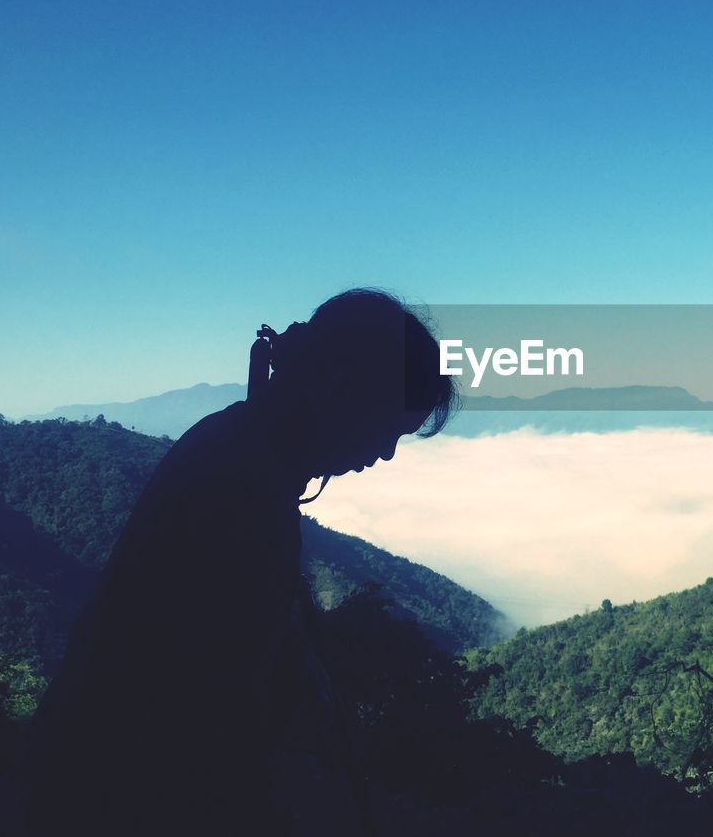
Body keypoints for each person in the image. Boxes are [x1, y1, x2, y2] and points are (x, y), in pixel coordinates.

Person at [28, 289, 457, 836]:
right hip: (116, 795)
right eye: (390, 428)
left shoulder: (239, 450)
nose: (388, 452)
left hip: (87, 771)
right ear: (345, 391)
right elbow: (206, 710)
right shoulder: (243, 486)